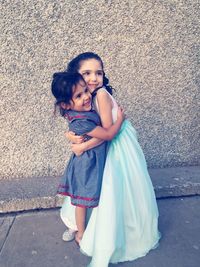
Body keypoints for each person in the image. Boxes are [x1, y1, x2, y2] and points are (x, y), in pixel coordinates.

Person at [61, 52, 161, 266]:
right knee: (94, 185)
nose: (93, 78)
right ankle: (81, 225)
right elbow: (79, 122)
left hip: (115, 145)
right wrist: (71, 136)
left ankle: (111, 232)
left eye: (99, 72)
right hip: (102, 144)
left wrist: (83, 146)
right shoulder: (84, 97)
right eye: (87, 73)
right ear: (76, 76)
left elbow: (107, 134)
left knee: (112, 189)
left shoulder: (101, 95)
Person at [51, 72, 124, 244]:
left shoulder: (85, 109)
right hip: (86, 165)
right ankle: (81, 233)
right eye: (78, 95)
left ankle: (89, 228)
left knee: (89, 197)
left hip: (93, 159)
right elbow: (108, 134)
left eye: (85, 91)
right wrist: (120, 120)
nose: (86, 97)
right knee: (81, 201)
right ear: (66, 104)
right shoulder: (80, 120)